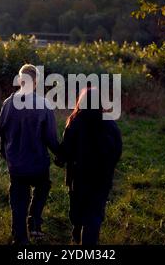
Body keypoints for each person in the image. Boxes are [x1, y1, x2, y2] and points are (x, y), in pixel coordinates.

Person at [0, 64, 59, 245]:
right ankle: (34, 221)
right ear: (36, 82)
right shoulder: (43, 106)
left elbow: (1, 128)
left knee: (18, 200)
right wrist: (61, 155)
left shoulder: (8, 104)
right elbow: (51, 138)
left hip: (16, 164)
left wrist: (4, 151)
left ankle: (20, 238)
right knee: (43, 186)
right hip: (38, 163)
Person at [57, 87, 122, 245]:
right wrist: (109, 167)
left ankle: (77, 234)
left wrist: (60, 159)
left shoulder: (74, 121)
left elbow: (66, 148)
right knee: (94, 213)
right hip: (101, 178)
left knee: (78, 208)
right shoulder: (109, 122)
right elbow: (117, 149)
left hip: (78, 176)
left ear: (82, 101)